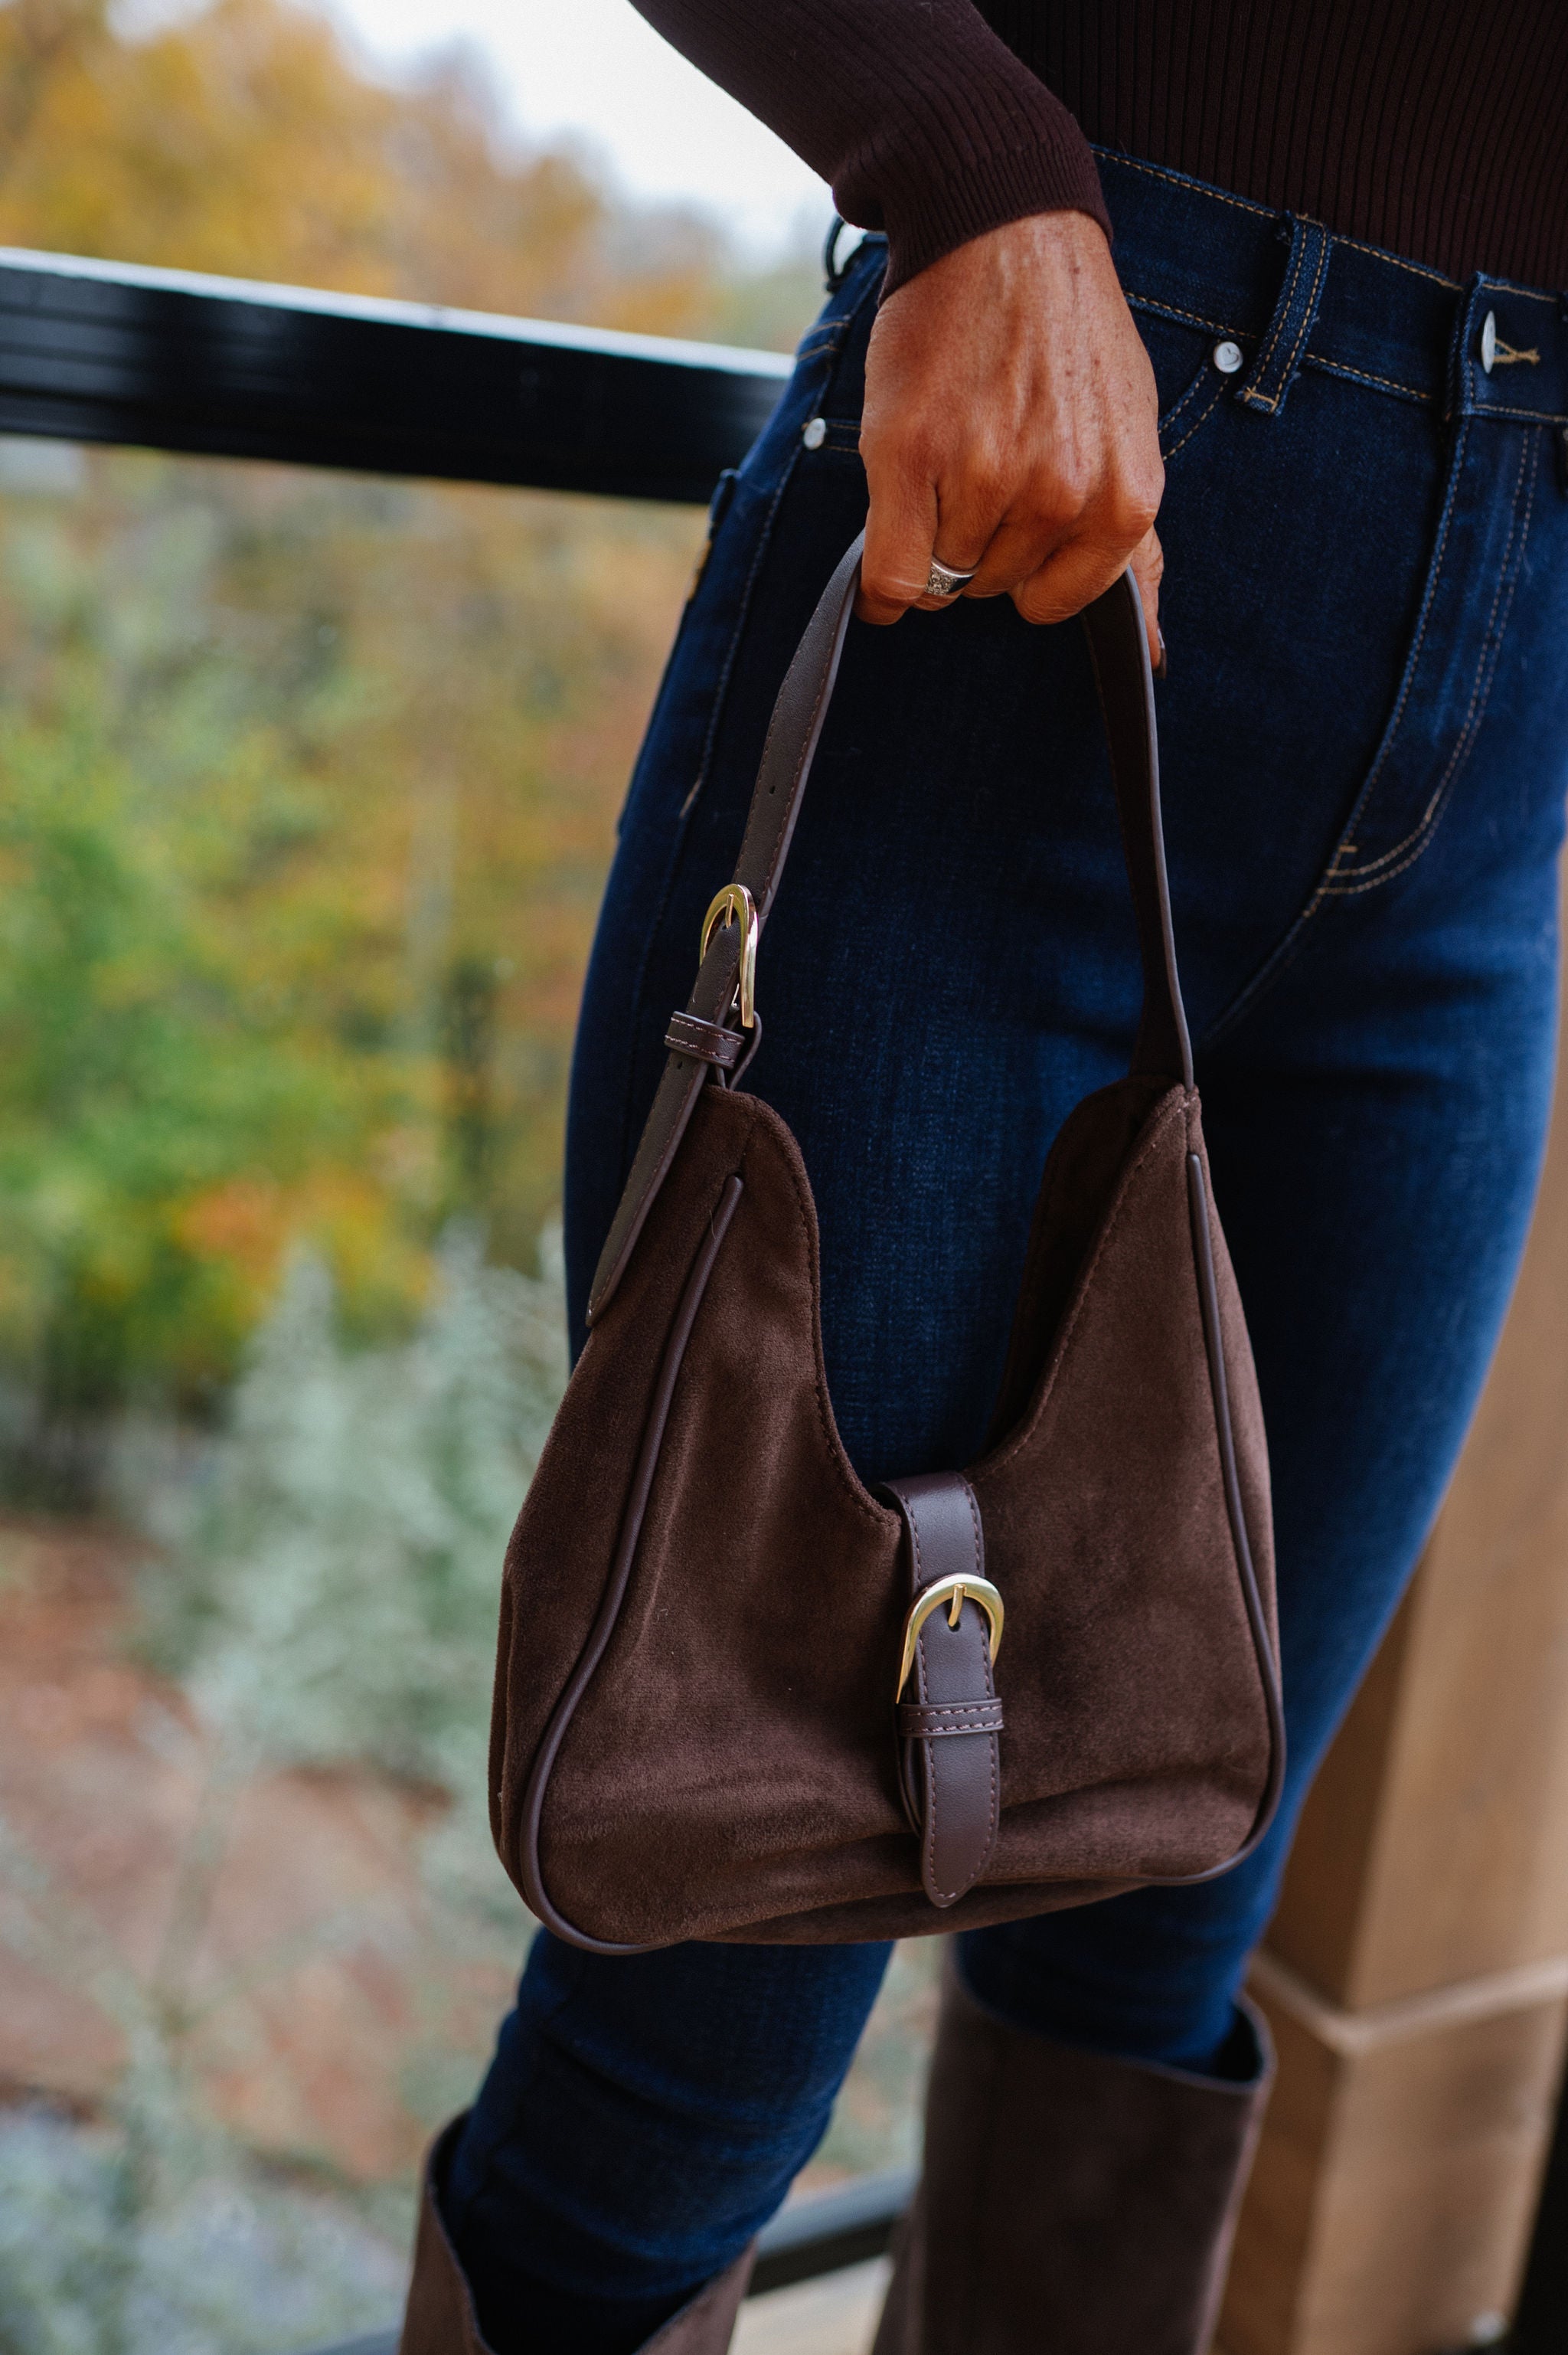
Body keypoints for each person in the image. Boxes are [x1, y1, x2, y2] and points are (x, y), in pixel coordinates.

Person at [399, 6, 1568, 2350]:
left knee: (1154, 1919)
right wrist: (967, 156)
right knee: (712, 1955)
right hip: (1014, 572)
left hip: (1502, 767)